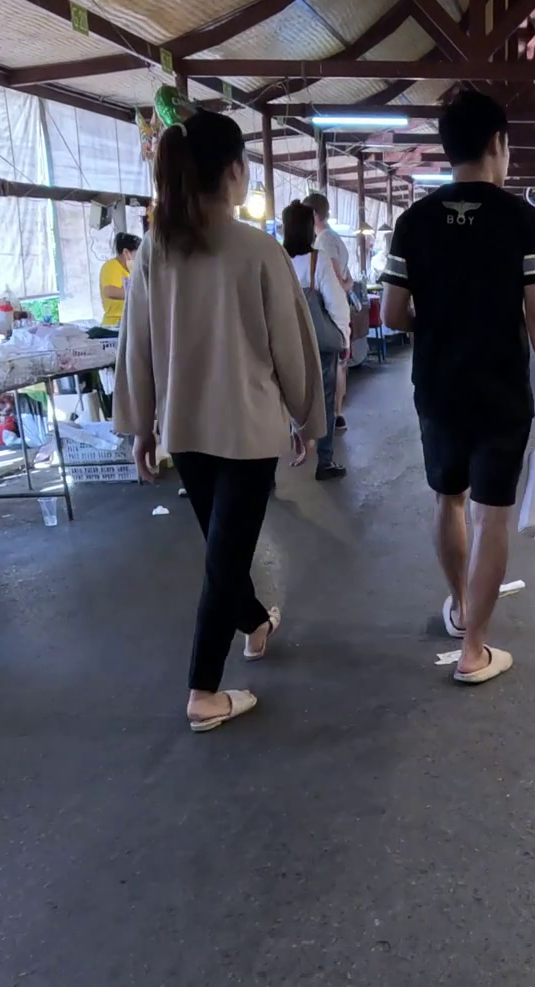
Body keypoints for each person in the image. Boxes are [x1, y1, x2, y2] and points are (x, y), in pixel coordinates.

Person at [113, 111, 327, 732]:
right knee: (223, 560)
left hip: (186, 432)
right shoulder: (258, 250)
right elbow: (293, 347)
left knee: (222, 549)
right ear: (234, 171)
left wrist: (143, 427)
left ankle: (256, 623)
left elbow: (136, 347)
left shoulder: (155, 251)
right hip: (249, 432)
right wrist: (307, 418)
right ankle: (203, 692)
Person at [380, 90, 535, 686]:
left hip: (437, 386)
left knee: (448, 500)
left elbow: (390, 313)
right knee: (492, 517)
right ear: (498, 144)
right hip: (501, 388)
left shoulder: (414, 221)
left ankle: (460, 606)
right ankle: (474, 650)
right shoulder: (522, 219)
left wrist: (436, 322)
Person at [282, 200, 349, 480]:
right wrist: (344, 337)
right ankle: (325, 461)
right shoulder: (317, 260)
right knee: (325, 397)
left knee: (282, 400)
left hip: (284, 342)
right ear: (310, 227)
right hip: (318, 342)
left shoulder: (278, 259)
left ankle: (271, 473)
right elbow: (336, 303)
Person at [302, 192, 354, 431]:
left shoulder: (323, 242)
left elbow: (333, 278)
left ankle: (333, 415)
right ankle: (337, 414)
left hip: (330, 310)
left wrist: (340, 287)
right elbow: (347, 277)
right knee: (339, 364)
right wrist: (345, 286)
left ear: (313, 214)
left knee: (332, 365)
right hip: (340, 306)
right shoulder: (335, 238)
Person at [98, 232, 140, 329]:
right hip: (114, 324)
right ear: (126, 253)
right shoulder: (111, 266)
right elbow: (110, 292)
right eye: (138, 254)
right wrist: (141, 292)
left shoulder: (131, 270)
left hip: (130, 321)